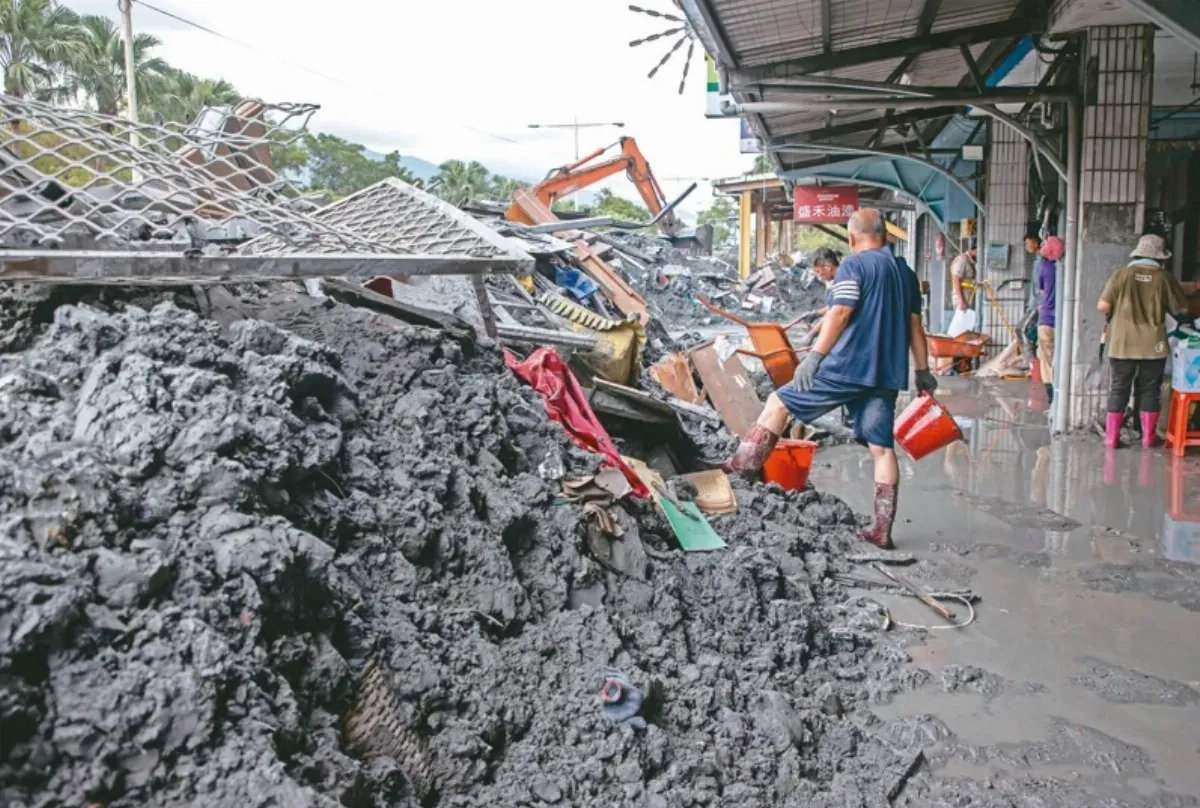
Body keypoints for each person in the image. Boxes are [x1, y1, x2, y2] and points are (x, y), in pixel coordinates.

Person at [721, 208, 937, 550]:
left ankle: (741, 471)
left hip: (847, 367)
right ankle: (882, 530)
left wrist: (815, 358)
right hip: (886, 373)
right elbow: (915, 326)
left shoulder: (854, 265)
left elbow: (841, 311)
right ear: (885, 234)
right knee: (882, 449)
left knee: (779, 402)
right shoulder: (905, 274)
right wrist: (923, 371)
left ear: (852, 237)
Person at [1097, 233, 1189, 449]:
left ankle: (1111, 440)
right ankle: (1148, 439)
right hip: (1153, 345)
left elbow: (1103, 305)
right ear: (1160, 257)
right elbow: (1181, 309)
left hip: (1122, 343)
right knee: (1150, 389)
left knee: (1119, 388)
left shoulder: (1121, 275)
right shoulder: (1164, 278)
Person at [1036, 235, 1064, 404]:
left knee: (1046, 358)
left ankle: (1051, 398)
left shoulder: (1044, 266)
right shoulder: (1066, 267)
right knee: (1060, 356)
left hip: (1046, 318)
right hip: (1063, 321)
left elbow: (1042, 291)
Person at [798, 247, 840, 347]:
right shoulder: (832, 281)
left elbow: (836, 312)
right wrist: (816, 313)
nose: (818, 276)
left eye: (818, 271)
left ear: (828, 267)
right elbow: (833, 305)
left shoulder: (842, 281)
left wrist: (812, 333)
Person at [950, 240, 978, 311]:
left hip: (969, 299)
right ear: (974, 249)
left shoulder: (971, 262)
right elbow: (956, 279)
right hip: (962, 300)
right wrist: (961, 301)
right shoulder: (962, 260)